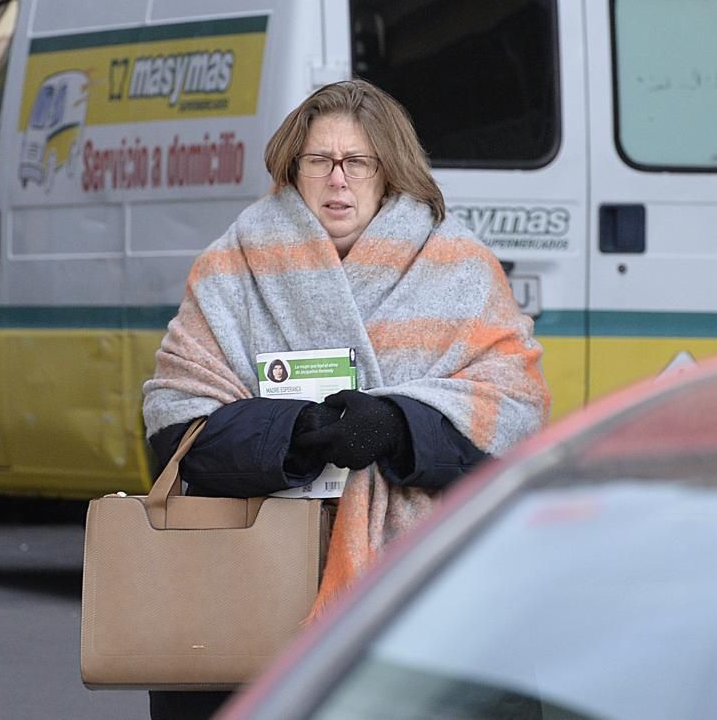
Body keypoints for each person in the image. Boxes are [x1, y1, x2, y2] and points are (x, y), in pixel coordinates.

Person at [141, 79, 550, 719]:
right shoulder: (228, 269)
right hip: (252, 592)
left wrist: (399, 425)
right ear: (292, 169)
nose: (338, 180)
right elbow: (176, 426)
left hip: (419, 594)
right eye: (319, 161)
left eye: (358, 162)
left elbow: (516, 419)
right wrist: (297, 432)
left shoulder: (463, 269)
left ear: (389, 173)